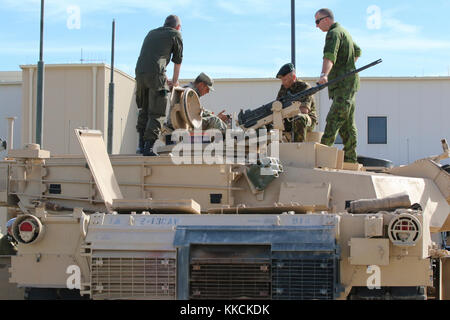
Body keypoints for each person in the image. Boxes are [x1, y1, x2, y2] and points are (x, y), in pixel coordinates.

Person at [315, 8, 361, 163]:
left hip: (343, 86)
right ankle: (350, 160)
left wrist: (324, 75)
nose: (317, 26)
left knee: (334, 120)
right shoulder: (344, 32)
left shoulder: (333, 34)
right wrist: (347, 66)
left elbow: (329, 56)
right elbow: (357, 51)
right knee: (347, 125)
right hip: (349, 85)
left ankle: (321, 159)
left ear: (326, 19)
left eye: (317, 21)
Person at [135, 14, 183, 156]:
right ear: (178, 27)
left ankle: (140, 146)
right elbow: (178, 61)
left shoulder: (151, 33)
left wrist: (165, 78)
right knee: (157, 111)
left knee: (144, 109)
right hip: (155, 75)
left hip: (140, 73)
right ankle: (149, 148)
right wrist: (174, 81)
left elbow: (153, 60)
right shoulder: (176, 34)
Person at [275, 63, 317, 142]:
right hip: (288, 118)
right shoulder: (283, 88)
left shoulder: (304, 87)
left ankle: (298, 148)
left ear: (293, 77)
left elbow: (304, 111)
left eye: (285, 80)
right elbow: (278, 105)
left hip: (307, 120)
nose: (283, 83)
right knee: (272, 123)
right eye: (282, 80)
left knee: (298, 118)